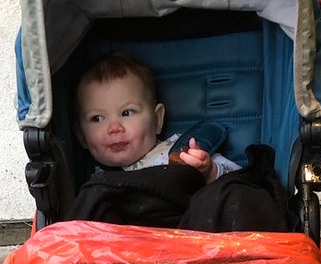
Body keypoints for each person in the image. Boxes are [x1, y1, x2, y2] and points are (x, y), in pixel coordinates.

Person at [72, 51, 240, 181]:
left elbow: (238, 178)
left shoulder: (180, 153)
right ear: (81, 136)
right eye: (98, 118)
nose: (114, 128)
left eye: (126, 113)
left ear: (157, 119)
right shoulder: (94, 182)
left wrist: (210, 172)